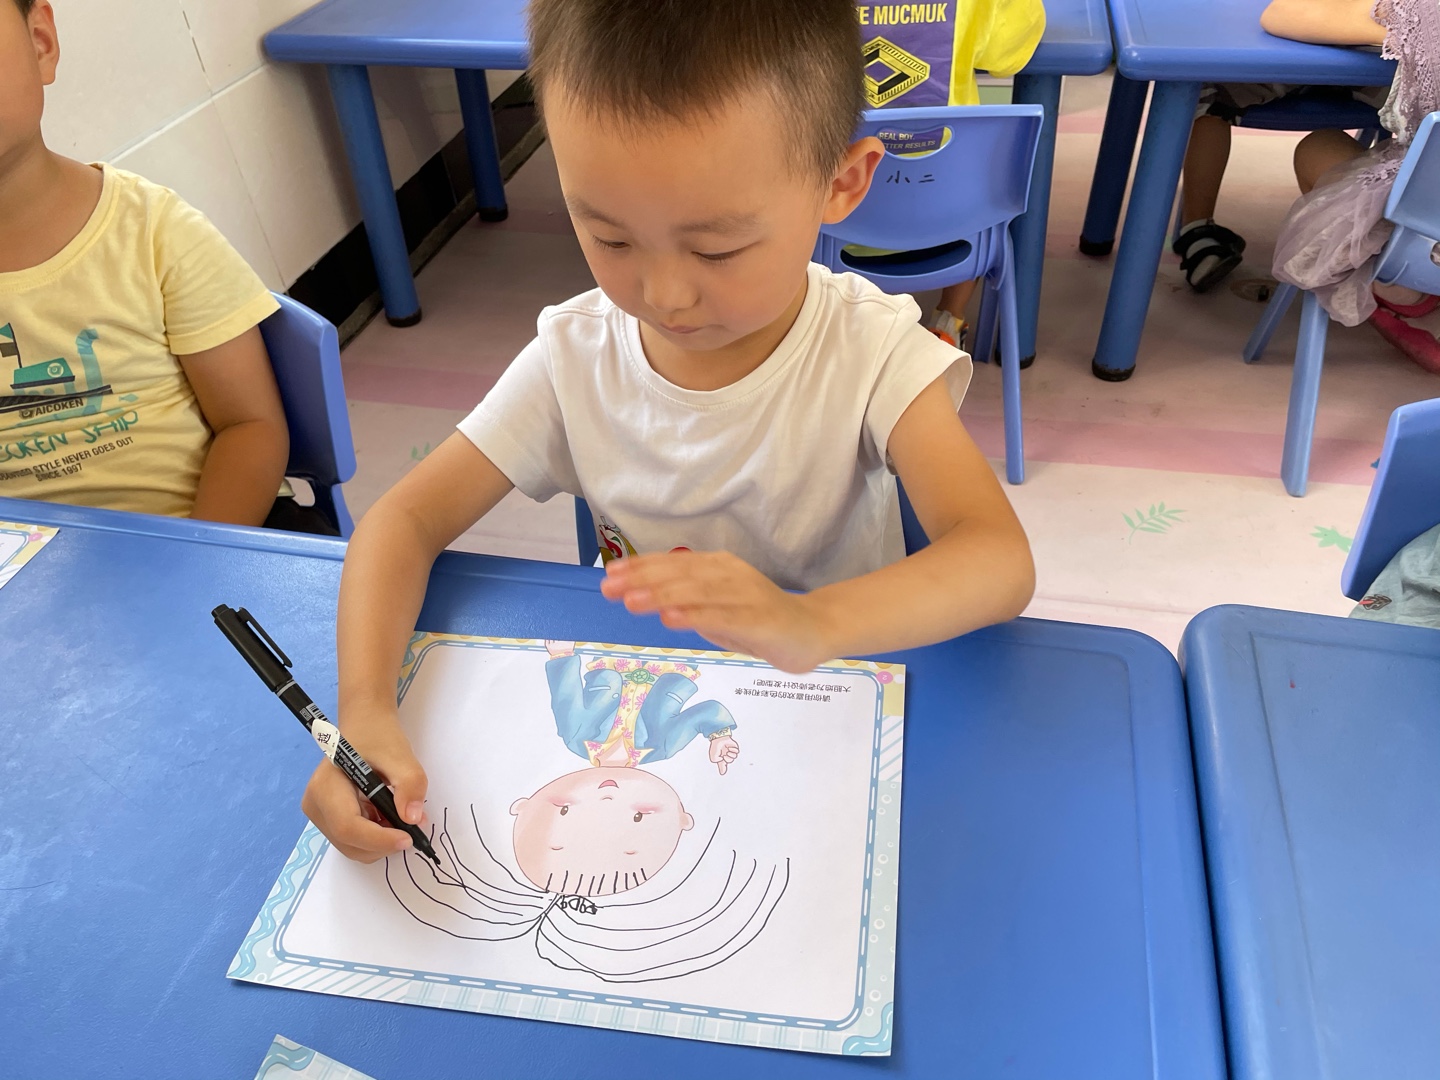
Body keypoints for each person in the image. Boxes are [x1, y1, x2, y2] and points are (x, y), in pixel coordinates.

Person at [303, 0, 1035, 864]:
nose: (664, 295)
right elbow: (402, 520)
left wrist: (811, 622)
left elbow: (998, 560)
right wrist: (365, 711)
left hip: (829, 706)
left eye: (716, 250)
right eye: (609, 237)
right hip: (641, 719)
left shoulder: (870, 352)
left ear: (841, 182)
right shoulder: (575, 356)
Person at [0, 0, 323, 531]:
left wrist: (195, 558)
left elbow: (250, 425)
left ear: (41, 42)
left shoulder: (155, 230)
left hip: (207, 537)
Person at [1264, 0, 1440, 373]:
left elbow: (1279, 14)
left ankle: (1395, 288)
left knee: (1318, 146)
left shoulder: (1418, 13)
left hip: (1423, 245)